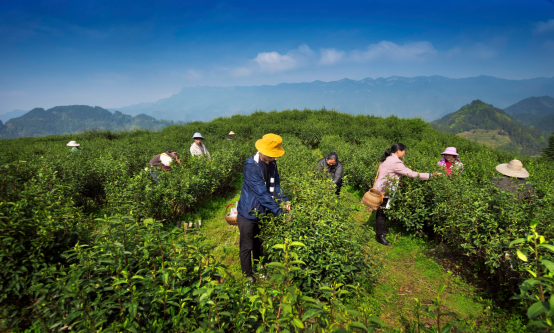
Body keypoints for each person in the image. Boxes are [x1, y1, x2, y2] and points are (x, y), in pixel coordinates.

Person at [237, 133, 291, 283]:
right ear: (264, 152)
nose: (275, 158)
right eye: (273, 155)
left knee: (259, 245)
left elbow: (276, 186)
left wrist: (284, 201)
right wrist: (280, 212)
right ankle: (248, 277)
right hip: (249, 213)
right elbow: (262, 194)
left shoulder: (272, 164)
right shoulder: (251, 167)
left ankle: (259, 269)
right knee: (247, 247)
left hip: (263, 212)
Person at [374, 143, 441, 246]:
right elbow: (412, 174)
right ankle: (379, 236)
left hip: (380, 188)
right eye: (404, 151)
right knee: (382, 213)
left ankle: (381, 231)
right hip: (385, 191)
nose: (404, 153)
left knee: (380, 212)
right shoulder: (395, 162)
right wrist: (430, 175)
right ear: (398, 151)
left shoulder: (387, 159)